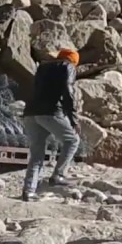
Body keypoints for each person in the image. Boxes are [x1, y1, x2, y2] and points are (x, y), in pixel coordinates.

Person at [20, 48, 81, 201]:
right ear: (73, 61)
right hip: (51, 112)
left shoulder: (42, 67)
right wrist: (72, 117)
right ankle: (58, 175)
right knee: (72, 140)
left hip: (30, 113)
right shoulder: (68, 67)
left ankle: (29, 191)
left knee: (36, 155)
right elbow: (68, 89)